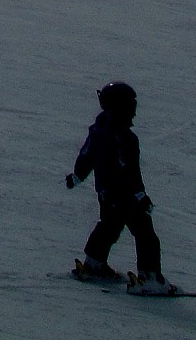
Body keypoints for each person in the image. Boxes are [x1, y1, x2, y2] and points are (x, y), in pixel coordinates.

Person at [68, 81, 170, 294]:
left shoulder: (99, 129)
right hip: (124, 195)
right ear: (119, 107)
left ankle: (93, 263)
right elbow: (130, 171)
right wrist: (141, 196)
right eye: (131, 105)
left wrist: (77, 176)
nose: (134, 110)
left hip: (106, 193)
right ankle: (149, 276)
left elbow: (87, 154)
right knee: (145, 233)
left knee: (109, 226)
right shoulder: (124, 138)